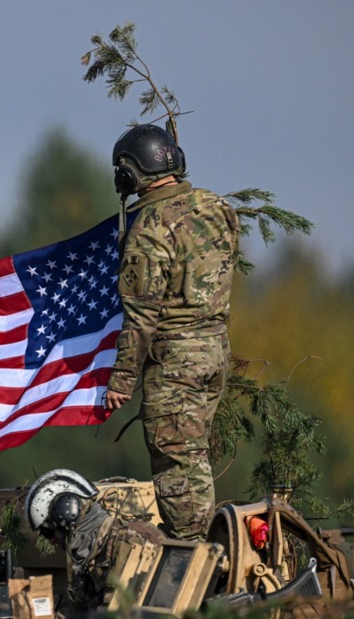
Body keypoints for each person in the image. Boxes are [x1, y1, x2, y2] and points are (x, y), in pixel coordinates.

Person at [102, 124, 240, 541]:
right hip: (214, 350)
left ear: (129, 175)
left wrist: (122, 379)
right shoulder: (216, 206)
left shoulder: (149, 228)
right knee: (193, 456)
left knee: (176, 463)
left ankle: (195, 559)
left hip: (175, 362)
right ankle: (204, 546)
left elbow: (141, 313)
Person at [24, 468, 166, 613]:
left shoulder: (129, 542)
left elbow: (118, 616)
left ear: (69, 514)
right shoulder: (90, 560)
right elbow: (72, 614)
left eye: (48, 533)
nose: (51, 542)